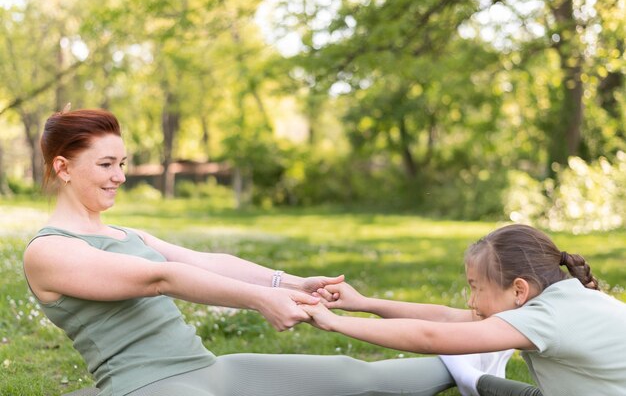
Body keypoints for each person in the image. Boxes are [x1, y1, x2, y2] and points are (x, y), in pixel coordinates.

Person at [24, 107, 511, 396]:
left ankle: (480, 359)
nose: (121, 176)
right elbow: (161, 279)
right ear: (63, 168)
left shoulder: (127, 234)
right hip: (148, 386)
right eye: (106, 164)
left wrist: (290, 283)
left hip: (205, 369)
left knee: (350, 377)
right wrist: (261, 301)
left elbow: (204, 262)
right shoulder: (49, 252)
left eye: (123, 162)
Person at [304, 224, 626, 396]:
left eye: (476, 288)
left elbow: (432, 337)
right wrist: (363, 303)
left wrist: (335, 323)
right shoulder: (565, 298)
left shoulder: (547, 317)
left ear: (518, 290)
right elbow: (446, 317)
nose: (471, 301)